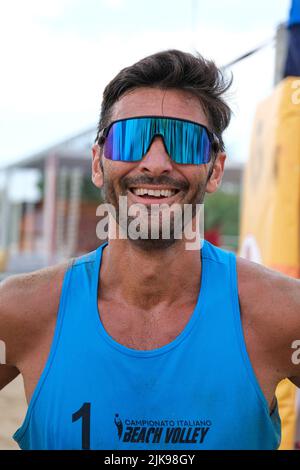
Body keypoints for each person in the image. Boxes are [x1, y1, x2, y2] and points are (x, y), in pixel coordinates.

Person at [0, 49, 299, 450]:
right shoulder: (23, 312)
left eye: (185, 141)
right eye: (131, 138)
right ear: (97, 162)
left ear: (216, 169)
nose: (156, 162)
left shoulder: (279, 314)